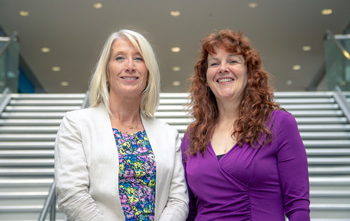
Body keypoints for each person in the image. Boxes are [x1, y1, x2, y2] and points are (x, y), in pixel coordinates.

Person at [55, 29, 188, 221]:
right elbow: (72, 195)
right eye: (119, 58)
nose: (130, 66)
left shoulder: (168, 134)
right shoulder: (76, 125)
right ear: (107, 72)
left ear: (148, 73)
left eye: (139, 59)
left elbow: (179, 200)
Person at [181, 29, 310, 221]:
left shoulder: (279, 124)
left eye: (233, 61)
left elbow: (297, 206)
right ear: (206, 79)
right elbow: (190, 212)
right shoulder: (192, 137)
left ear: (249, 72)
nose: (222, 68)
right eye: (214, 63)